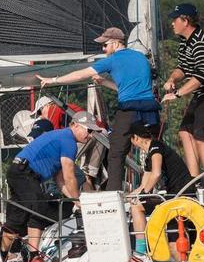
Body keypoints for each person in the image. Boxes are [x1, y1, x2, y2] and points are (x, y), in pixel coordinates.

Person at [37, 27, 158, 191]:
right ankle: (161, 187)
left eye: (105, 45)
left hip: (129, 109)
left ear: (115, 43)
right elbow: (131, 89)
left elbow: (81, 74)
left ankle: (113, 194)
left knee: (116, 152)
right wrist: (105, 82)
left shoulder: (113, 60)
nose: (103, 49)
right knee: (154, 149)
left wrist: (53, 80)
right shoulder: (141, 58)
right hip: (150, 109)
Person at [0, 111, 103, 262]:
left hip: (19, 172)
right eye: (89, 130)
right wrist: (77, 200)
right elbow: (69, 176)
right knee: (38, 207)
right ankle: (33, 257)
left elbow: (60, 180)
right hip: (24, 174)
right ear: (75, 125)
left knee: (15, 222)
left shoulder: (62, 138)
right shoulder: (69, 141)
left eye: (93, 132)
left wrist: (75, 200)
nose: (91, 135)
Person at [160, 4, 204, 188]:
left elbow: (201, 76)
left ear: (185, 21)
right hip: (203, 93)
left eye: (175, 19)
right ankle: (193, 181)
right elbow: (182, 68)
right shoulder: (186, 42)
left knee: (201, 135)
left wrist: (177, 94)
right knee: (185, 131)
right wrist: (172, 78)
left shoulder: (201, 43)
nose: (172, 24)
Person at [126, 122, 196, 255]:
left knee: (137, 207)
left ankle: (141, 253)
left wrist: (142, 195)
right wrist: (128, 197)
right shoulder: (149, 156)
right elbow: (143, 185)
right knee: (173, 245)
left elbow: (156, 174)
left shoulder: (156, 147)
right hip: (173, 196)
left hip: (181, 194)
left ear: (135, 138)